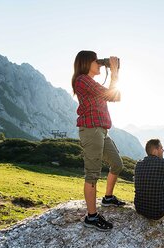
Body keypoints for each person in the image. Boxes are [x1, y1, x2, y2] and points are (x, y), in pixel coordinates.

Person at [72, 50, 125, 231]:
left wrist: (113, 71)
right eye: (97, 61)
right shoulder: (82, 80)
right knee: (93, 173)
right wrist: (115, 71)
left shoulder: (90, 82)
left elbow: (114, 96)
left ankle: (108, 198)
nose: (100, 64)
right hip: (91, 130)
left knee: (117, 164)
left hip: (101, 130)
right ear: (86, 63)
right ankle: (91, 217)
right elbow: (112, 95)